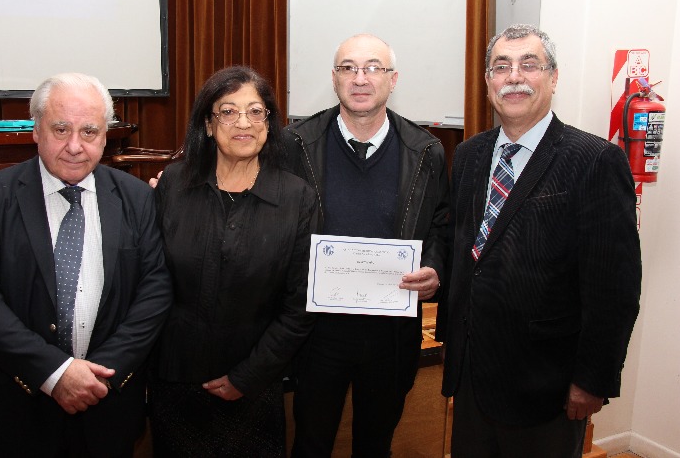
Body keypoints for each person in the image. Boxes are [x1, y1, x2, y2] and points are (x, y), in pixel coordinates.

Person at [438, 24, 641, 457]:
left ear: (553, 77)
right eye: (501, 66)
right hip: (472, 376)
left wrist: (592, 380)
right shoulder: (471, 154)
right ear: (488, 81)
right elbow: (468, 251)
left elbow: (615, 288)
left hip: (546, 385)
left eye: (529, 65)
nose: (514, 77)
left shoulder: (595, 160)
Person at [0, 72, 173, 457]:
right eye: (60, 129)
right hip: (22, 407)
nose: (75, 146)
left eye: (89, 131)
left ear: (106, 135)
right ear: (36, 130)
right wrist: (56, 374)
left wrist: (100, 375)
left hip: (109, 404)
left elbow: (154, 290)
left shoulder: (137, 198)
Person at [283, 34, 450, 457]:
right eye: (347, 68)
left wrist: (434, 268)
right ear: (334, 79)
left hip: (391, 334)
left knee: (376, 445)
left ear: (392, 80)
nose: (360, 78)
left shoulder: (426, 150)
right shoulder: (295, 144)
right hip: (316, 331)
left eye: (373, 67)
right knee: (310, 443)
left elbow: (441, 225)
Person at [148, 65, 318, 457]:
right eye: (228, 111)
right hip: (174, 378)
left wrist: (248, 376)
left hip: (254, 382)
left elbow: (300, 305)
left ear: (270, 122)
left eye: (256, 111)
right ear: (208, 124)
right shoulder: (173, 185)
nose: (243, 122)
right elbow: (150, 280)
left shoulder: (297, 198)